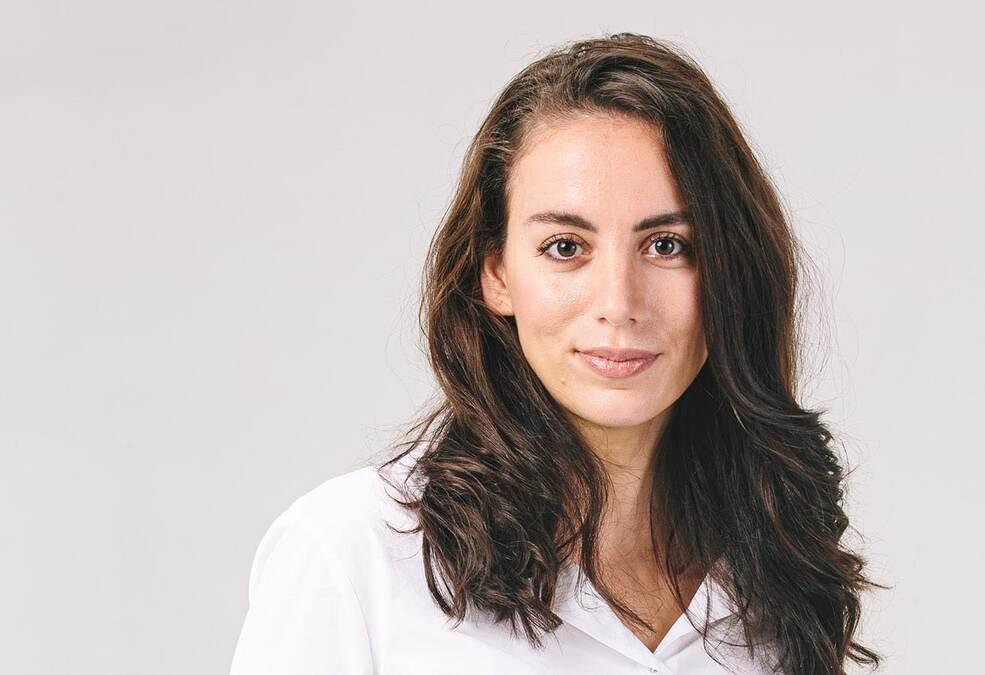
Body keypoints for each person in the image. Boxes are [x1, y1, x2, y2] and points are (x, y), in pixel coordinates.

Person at [229, 32, 883, 675]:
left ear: (732, 271)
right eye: (566, 248)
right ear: (496, 273)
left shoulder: (778, 570)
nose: (619, 302)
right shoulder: (353, 555)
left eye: (667, 246)